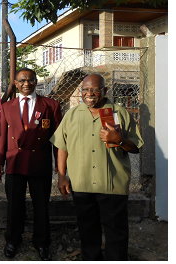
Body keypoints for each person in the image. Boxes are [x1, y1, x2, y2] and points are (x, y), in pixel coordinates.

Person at [50, 73, 144, 260]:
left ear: (104, 91)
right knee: (87, 230)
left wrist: (119, 140)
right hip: (82, 184)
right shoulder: (72, 115)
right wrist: (61, 176)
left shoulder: (120, 113)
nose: (89, 93)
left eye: (94, 89)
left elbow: (135, 147)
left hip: (112, 184)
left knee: (116, 232)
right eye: (85, 89)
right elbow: (62, 146)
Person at [0, 68, 62, 260]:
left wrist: (60, 164)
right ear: (15, 83)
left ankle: (42, 242)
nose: (27, 84)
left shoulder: (51, 105)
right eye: (22, 80)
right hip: (14, 162)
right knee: (14, 205)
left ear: (36, 81)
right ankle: (12, 240)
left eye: (31, 80)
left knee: (41, 205)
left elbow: (58, 139)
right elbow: (2, 136)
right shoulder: (7, 107)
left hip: (39, 163)